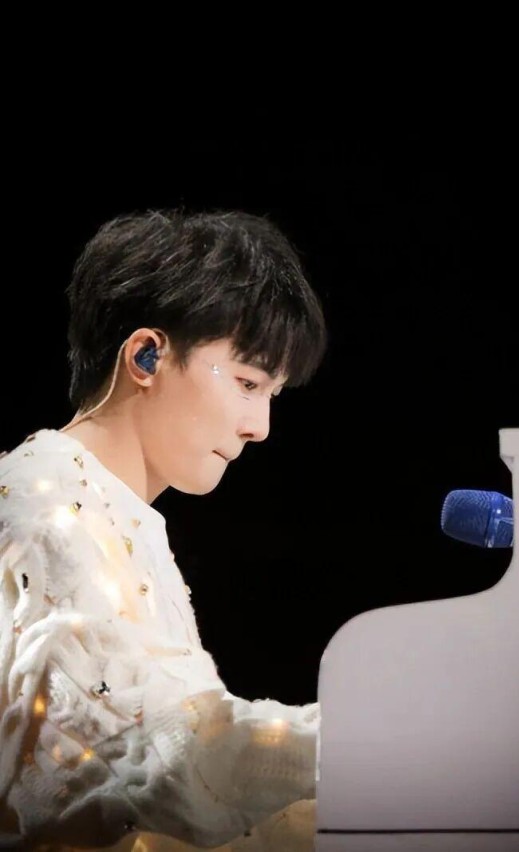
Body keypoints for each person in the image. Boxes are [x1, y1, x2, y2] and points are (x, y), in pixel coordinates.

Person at [0, 209, 328, 851]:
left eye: (273, 395)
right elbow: (168, 757)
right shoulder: (47, 506)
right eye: (247, 383)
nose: (260, 427)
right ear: (146, 355)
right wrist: (383, 737)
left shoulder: (102, 505)